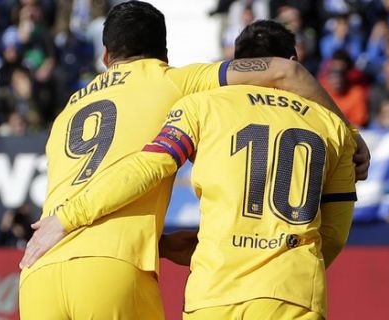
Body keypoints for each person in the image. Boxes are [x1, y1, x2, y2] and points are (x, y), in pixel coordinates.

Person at [22, 20, 357, 320]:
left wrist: (68, 218)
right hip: (285, 292)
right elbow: (333, 236)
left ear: (105, 56)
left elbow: (149, 164)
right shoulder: (332, 128)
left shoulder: (73, 108)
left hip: (46, 267)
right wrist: (355, 139)